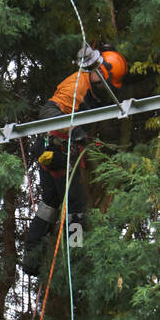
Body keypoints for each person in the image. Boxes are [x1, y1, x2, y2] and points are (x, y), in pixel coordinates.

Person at [22, 43, 129, 276]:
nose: (104, 88)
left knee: (50, 203)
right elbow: (48, 113)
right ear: (99, 75)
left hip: (60, 148)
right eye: (104, 84)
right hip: (56, 147)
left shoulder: (94, 82)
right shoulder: (78, 83)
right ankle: (75, 255)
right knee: (76, 205)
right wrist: (73, 132)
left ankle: (31, 256)